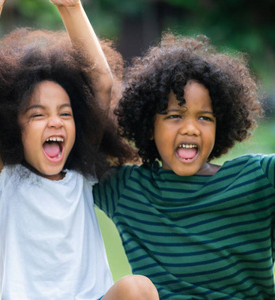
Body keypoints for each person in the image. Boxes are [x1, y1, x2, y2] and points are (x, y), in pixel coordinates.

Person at [0, 0, 158, 299]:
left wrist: (71, 7)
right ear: (13, 129)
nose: (55, 122)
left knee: (138, 288)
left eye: (65, 113)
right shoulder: (4, 183)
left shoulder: (80, 175)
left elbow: (101, 85)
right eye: (38, 114)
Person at [93, 32, 272, 299]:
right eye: (175, 116)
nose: (190, 128)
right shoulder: (127, 189)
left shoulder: (258, 178)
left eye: (205, 118)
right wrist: (72, 8)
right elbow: (98, 89)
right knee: (132, 288)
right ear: (150, 127)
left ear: (220, 125)